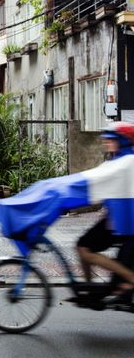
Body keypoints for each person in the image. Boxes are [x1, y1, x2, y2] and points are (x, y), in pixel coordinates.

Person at [76, 122, 134, 296]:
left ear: (122, 141)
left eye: (111, 140)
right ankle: (89, 290)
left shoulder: (127, 162)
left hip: (127, 226)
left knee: (118, 285)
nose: (106, 143)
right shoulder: (116, 161)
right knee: (82, 246)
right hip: (115, 221)